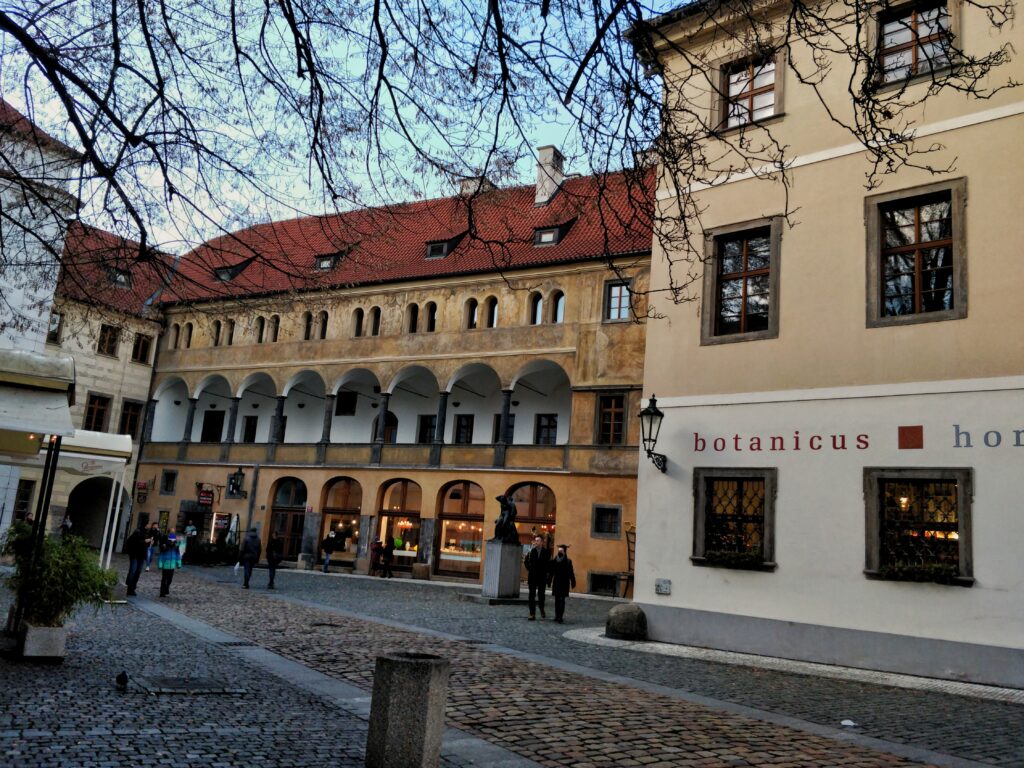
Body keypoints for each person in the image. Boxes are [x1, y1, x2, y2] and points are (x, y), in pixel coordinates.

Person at [548, 544, 576, 623]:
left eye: (561, 551)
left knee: (562, 599)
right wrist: (549, 581)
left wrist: (573, 582)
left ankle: (560, 616)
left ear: (564, 552)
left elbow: (571, 572)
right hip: (556, 582)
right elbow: (552, 572)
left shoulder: (568, 561)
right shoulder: (555, 560)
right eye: (559, 551)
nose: (559, 552)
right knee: (557, 600)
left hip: (564, 583)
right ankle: (557, 616)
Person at [524, 534, 550, 620]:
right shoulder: (532, 551)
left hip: (541, 577)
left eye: (538, 540)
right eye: (536, 540)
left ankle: (541, 608)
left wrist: (546, 574)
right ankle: (532, 613)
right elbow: (526, 561)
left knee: (541, 595)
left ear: (542, 542)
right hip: (532, 577)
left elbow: (547, 565)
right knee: (531, 596)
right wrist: (529, 569)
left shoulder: (546, 552)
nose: (536, 542)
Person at [124, 523, 148, 596]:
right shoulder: (137, 533)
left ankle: (132, 588)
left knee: (138, 572)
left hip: (141, 556)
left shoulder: (146, 533)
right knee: (133, 571)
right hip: (134, 555)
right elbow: (135, 542)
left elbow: (145, 545)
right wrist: (145, 541)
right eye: (147, 525)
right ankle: (129, 587)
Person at [157, 528, 182, 598]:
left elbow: (177, 555)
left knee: (170, 579)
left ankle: (166, 588)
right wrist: (160, 564)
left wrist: (179, 563)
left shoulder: (175, 547)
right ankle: (162, 592)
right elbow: (161, 555)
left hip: (172, 565)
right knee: (164, 579)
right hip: (165, 565)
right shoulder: (165, 545)